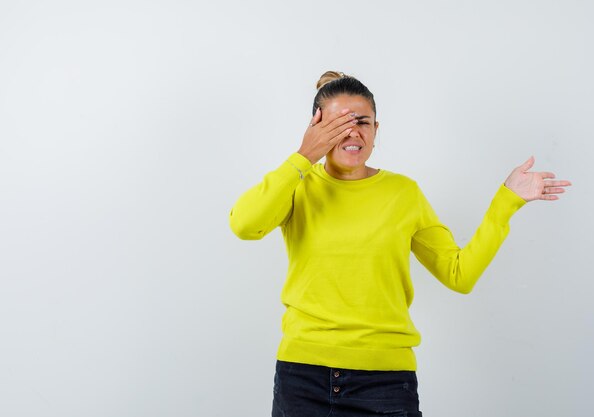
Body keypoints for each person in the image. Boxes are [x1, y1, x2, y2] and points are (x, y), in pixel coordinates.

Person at [228, 71, 571, 417]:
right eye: (336, 123)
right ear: (315, 127)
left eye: (363, 122)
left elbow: (459, 274)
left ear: (377, 129)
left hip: (385, 385)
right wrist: (303, 157)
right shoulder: (297, 186)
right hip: (301, 378)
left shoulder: (403, 194)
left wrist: (506, 202)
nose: (352, 132)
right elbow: (244, 224)